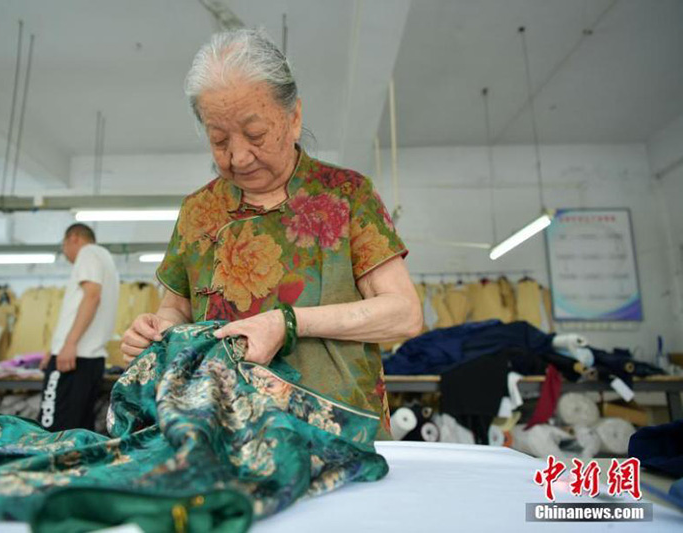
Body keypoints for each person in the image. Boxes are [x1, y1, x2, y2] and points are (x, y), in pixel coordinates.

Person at [121, 29, 422, 437]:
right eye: (219, 140)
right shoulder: (198, 212)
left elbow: (403, 314)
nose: (239, 157)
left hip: (339, 434)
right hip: (226, 436)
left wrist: (289, 323)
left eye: (256, 134)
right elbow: (176, 311)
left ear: (294, 118)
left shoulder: (346, 195)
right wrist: (154, 332)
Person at [39, 223, 120, 432]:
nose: (64, 252)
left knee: (52, 431)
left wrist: (69, 343)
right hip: (89, 359)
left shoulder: (88, 252)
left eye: (63, 245)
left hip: (72, 360)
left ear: (73, 238)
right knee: (77, 429)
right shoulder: (105, 258)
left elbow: (92, 296)